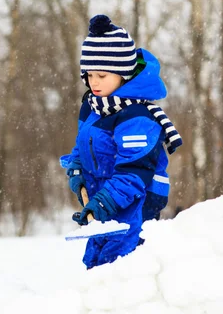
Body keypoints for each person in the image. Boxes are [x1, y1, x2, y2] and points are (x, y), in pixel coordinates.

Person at [60, 14, 182, 269]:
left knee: (121, 261)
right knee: (95, 258)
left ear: (122, 74)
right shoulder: (94, 106)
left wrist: (105, 200)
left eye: (102, 75)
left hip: (137, 197)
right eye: (90, 74)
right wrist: (76, 169)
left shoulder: (135, 116)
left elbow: (135, 170)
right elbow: (83, 146)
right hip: (106, 194)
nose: (94, 82)